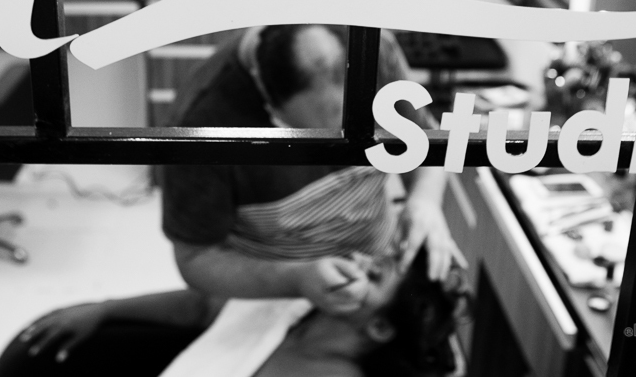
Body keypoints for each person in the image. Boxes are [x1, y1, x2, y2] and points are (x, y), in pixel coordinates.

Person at [160, 25, 463, 316]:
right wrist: (296, 279)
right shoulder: (200, 124)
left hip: (376, 257)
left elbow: (426, 148)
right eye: (319, 137)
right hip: (269, 296)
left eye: (353, 123)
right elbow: (195, 258)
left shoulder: (376, 50)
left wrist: (425, 200)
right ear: (271, 107)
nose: (343, 155)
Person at [0, 246, 463, 377]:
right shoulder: (298, 303)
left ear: (379, 326)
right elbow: (200, 306)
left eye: (374, 275)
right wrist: (103, 309)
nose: (357, 260)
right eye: (371, 259)